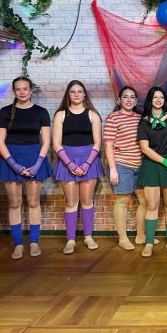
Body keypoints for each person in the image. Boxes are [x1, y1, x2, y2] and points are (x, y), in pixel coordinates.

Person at [0, 76, 52, 260]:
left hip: (35, 157)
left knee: (34, 202)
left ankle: (34, 241)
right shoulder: (5, 112)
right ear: (14, 91)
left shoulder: (41, 112)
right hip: (11, 158)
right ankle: (18, 244)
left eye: (25, 89)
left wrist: (38, 165)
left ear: (31, 90)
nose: (22, 92)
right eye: (18, 89)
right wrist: (14, 165)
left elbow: (46, 141)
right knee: (14, 203)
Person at [52, 80, 103, 254]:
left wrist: (87, 164)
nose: (76, 94)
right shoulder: (60, 115)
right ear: (68, 94)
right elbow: (56, 143)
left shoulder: (93, 115)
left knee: (87, 201)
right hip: (67, 161)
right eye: (72, 92)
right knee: (71, 202)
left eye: (79, 91)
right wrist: (70, 164)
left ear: (84, 94)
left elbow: (98, 143)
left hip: (89, 160)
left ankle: (88, 237)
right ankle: (71, 240)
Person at [137, 86, 167, 258]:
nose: (158, 100)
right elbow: (145, 148)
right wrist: (164, 161)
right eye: (155, 97)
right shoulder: (144, 122)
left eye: (161, 97)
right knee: (152, 205)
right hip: (152, 165)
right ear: (150, 100)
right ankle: (149, 242)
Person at [104, 86, 150, 250]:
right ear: (119, 100)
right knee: (122, 200)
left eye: (132, 97)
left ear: (136, 101)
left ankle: (140, 236)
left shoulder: (140, 118)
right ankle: (122, 238)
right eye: (125, 97)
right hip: (121, 165)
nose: (129, 100)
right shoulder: (113, 118)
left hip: (141, 165)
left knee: (146, 201)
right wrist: (113, 169)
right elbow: (109, 146)